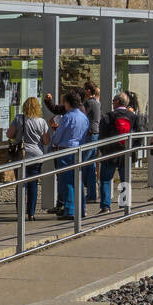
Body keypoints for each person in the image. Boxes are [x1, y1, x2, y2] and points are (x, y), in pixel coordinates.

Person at [7, 96, 49, 221]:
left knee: (20, 184)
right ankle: (31, 213)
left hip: (20, 156)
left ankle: (20, 213)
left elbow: (9, 134)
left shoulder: (19, 119)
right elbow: (46, 141)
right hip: (36, 156)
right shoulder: (41, 122)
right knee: (33, 184)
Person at [98, 92, 141, 212]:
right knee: (125, 179)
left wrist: (103, 150)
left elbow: (102, 136)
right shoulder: (133, 117)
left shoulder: (108, 116)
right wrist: (133, 149)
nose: (112, 103)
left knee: (106, 179)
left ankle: (105, 206)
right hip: (126, 153)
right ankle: (124, 203)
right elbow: (139, 135)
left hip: (110, 153)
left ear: (117, 102)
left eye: (113, 101)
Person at [49, 90, 88, 220]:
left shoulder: (68, 117)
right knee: (78, 180)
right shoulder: (83, 117)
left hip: (66, 150)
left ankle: (70, 210)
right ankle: (81, 208)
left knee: (67, 182)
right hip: (78, 149)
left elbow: (58, 136)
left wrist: (54, 140)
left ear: (67, 103)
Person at [80, 82, 101, 208]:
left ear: (88, 91)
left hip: (90, 134)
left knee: (84, 163)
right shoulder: (97, 102)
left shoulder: (88, 103)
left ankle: (86, 194)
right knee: (91, 165)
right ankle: (92, 194)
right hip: (95, 133)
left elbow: (82, 116)